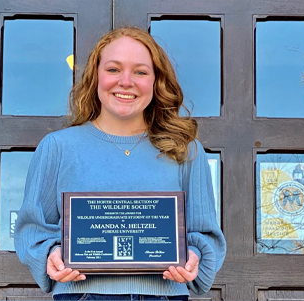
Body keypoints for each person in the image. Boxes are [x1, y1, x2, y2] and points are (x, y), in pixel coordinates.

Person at [15, 27, 226, 300]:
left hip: (164, 295)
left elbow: (205, 234)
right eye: (113, 69)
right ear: (95, 77)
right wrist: (51, 254)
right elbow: (32, 230)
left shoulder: (186, 150)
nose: (126, 82)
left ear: (156, 81)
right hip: (81, 295)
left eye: (140, 72)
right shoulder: (57, 148)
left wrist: (194, 256)